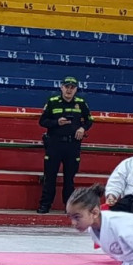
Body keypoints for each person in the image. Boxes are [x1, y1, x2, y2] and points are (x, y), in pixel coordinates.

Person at [37, 76, 93, 214]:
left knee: (69, 178)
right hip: (54, 143)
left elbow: (89, 120)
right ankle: (45, 205)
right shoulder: (53, 102)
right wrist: (57, 122)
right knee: (50, 176)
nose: (69, 90)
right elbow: (42, 121)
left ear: (76, 89)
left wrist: (82, 128)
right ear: (61, 87)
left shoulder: (81, 103)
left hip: (72, 145)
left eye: (72, 87)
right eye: (66, 87)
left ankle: (69, 207)